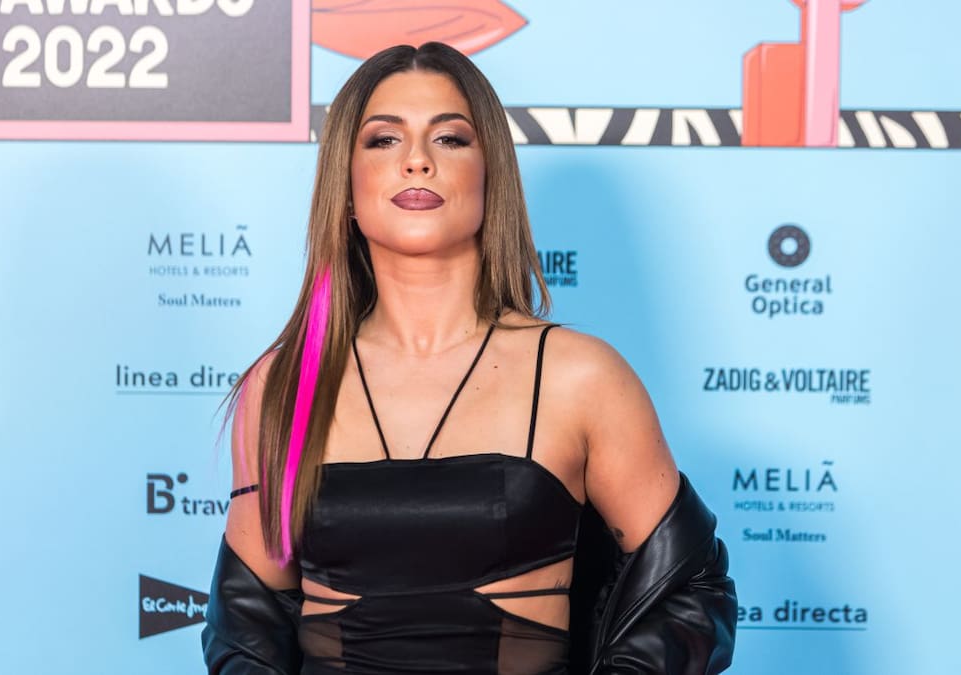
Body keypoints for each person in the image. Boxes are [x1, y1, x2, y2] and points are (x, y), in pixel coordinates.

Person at [202, 42, 736, 674]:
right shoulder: (284, 384)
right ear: (345, 187)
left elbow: (689, 591)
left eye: (450, 139)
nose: (417, 161)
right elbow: (249, 623)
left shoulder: (580, 377)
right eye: (384, 140)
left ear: (490, 176)